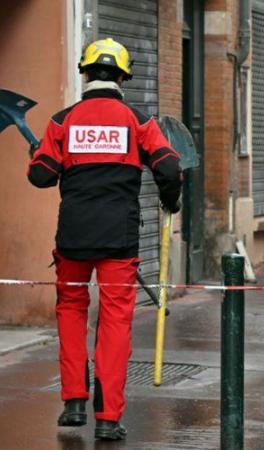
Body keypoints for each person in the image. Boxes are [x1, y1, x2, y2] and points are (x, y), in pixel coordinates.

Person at [27, 38, 182, 440]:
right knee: (115, 323)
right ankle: (109, 418)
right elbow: (168, 165)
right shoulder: (137, 120)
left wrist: (41, 156)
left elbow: (40, 175)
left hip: (73, 236)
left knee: (71, 312)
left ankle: (74, 402)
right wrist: (171, 200)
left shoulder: (62, 121)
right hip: (119, 237)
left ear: (85, 73)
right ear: (123, 77)